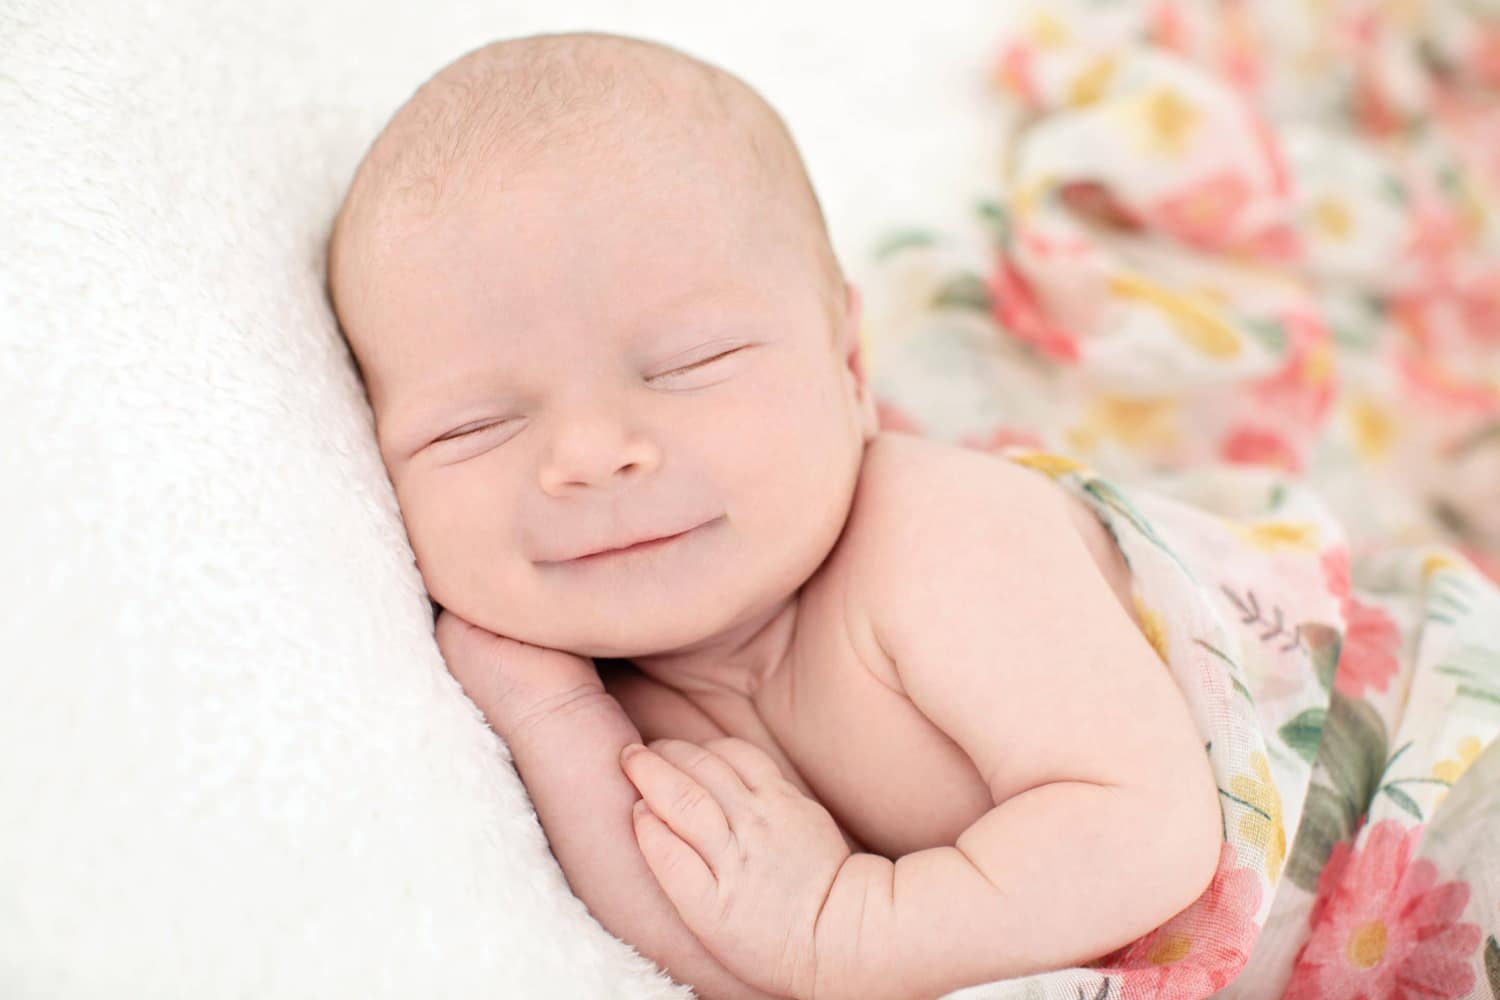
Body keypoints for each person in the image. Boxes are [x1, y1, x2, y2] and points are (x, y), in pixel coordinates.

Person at [324, 31, 1221, 999]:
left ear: (848, 369)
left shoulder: (939, 534)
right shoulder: (619, 691)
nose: (589, 454)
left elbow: (1146, 831)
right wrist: (546, 713)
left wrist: (846, 929)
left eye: (686, 365)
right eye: (478, 426)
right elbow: (718, 943)